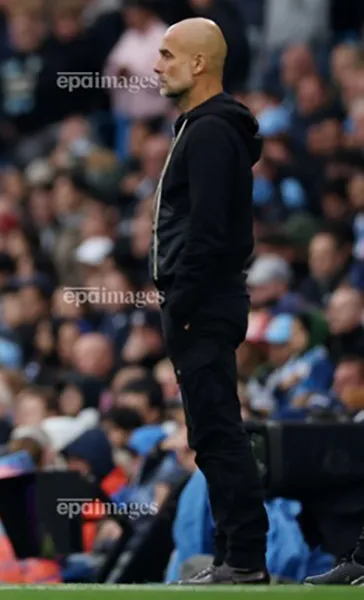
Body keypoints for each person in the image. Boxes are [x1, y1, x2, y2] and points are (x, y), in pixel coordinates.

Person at [151, 18, 270, 584]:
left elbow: (209, 232)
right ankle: (231, 555)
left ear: (199, 64)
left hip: (203, 303)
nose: (157, 65)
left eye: (169, 54)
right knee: (210, 432)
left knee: (218, 431)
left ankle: (243, 557)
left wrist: (184, 302)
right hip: (201, 301)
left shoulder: (210, 132)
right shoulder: (204, 129)